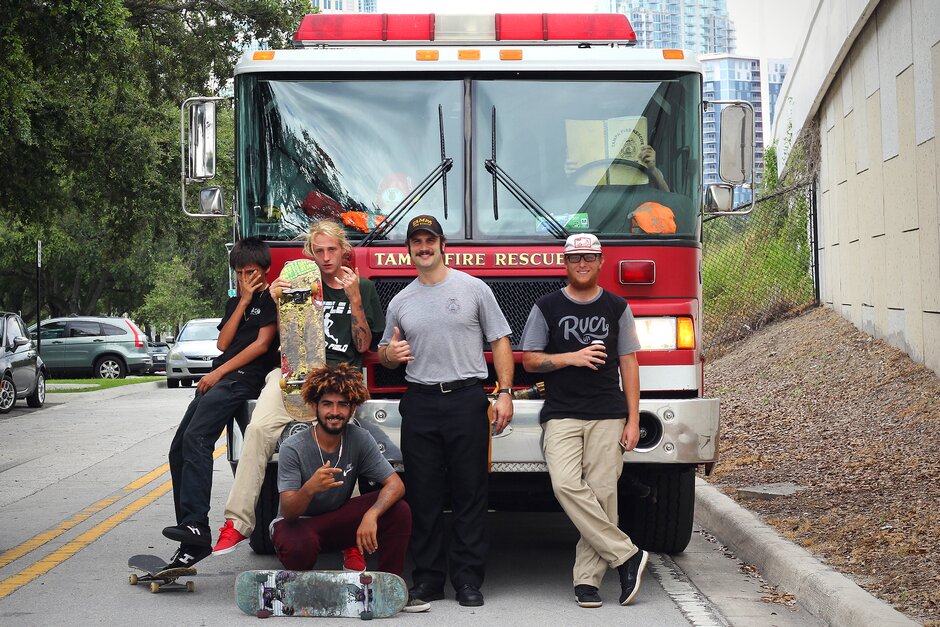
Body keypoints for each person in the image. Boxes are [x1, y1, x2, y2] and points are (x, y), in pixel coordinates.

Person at [212, 220, 385, 572]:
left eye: (331, 250)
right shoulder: (297, 282)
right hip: (294, 373)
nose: (325, 258)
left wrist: (352, 299)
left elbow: (365, 345)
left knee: (340, 448)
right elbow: (278, 337)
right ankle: (237, 523)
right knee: (258, 430)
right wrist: (272, 298)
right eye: (318, 251)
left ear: (344, 251)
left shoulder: (363, 287)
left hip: (339, 376)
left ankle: (351, 543)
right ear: (310, 253)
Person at [378, 214, 514, 607]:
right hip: (419, 402)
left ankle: (468, 580)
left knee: (471, 493)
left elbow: (500, 341)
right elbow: (387, 352)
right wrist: (390, 354)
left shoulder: (474, 289)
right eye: (416, 242)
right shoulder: (400, 301)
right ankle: (428, 580)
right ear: (409, 250)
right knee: (424, 495)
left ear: (442, 246)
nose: (423, 247)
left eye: (429, 240)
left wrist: (504, 392)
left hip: (467, 399)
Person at [519, 233, 649, 608]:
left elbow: (629, 363)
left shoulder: (617, 306)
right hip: (560, 413)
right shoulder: (546, 307)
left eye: (589, 258)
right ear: (565, 262)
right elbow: (529, 360)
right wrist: (570, 358)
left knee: (604, 493)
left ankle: (588, 582)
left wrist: (633, 418)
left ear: (600, 261)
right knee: (565, 485)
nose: (582, 264)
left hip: (608, 413)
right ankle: (627, 554)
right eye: (575, 258)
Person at [271, 364, 429, 613]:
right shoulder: (294, 447)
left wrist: (371, 514)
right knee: (299, 547)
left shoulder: (358, 437)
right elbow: (289, 512)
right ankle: (299, 586)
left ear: (352, 408)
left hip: (337, 520)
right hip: (299, 524)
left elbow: (395, 485)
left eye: (342, 404)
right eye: (327, 404)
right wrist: (309, 488)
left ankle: (388, 588)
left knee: (399, 510)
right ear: (314, 406)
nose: (334, 412)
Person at [162, 237, 279, 568]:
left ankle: (197, 523)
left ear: (265, 270)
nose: (246, 278)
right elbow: (223, 342)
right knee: (179, 448)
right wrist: (241, 302)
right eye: (240, 273)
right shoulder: (237, 303)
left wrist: (217, 374)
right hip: (222, 378)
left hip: (243, 380)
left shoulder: (272, 299)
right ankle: (190, 533)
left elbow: (260, 345)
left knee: (198, 439)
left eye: (251, 271)